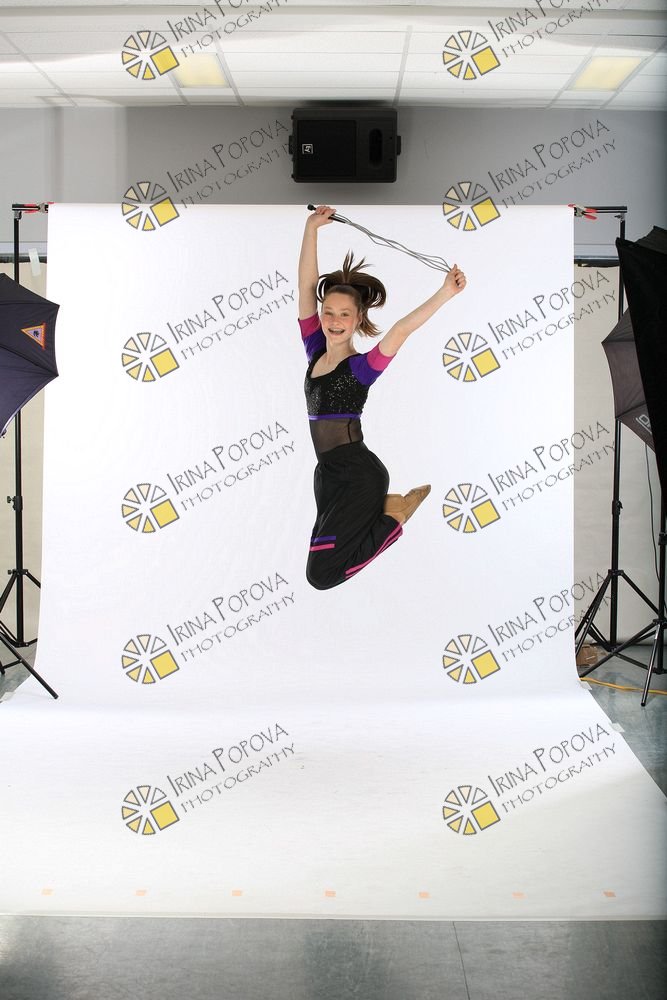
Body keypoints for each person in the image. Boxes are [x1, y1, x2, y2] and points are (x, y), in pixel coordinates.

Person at [299, 204, 466, 590]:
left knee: (321, 575)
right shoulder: (314, 350)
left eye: (345, 315)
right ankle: (391, 513)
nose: (335, 321)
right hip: (327, 476)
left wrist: (445, 292)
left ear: (358, 319)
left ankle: (395, 517)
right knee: (323, 561)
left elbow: (402, 330)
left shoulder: (361, 369)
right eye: (328, 313)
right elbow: (306, 289)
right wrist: (311, 230)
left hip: (358, 476)